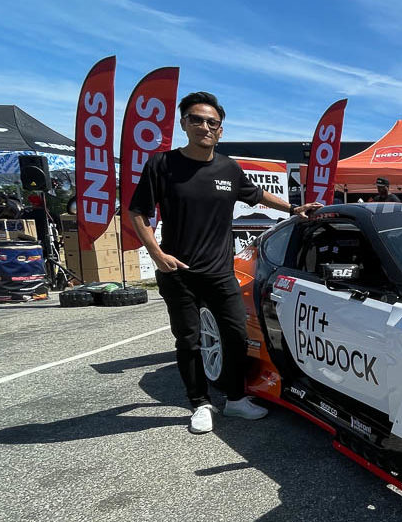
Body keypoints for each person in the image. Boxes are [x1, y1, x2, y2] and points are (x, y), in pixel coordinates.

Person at [128, 91, 322, 435]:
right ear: (184, 123)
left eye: (212, 122)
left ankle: (234, 400)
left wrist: (294, 209)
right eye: (197, 119)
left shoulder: (228, 168)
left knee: (235, 335)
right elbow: (138, 211)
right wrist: (157, 254)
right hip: (179, 272)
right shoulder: (162, 164)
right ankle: (200, 403)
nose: (204, 126)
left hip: (220, 271)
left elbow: (256, 196)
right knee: (188, 340)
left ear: (220, 129)